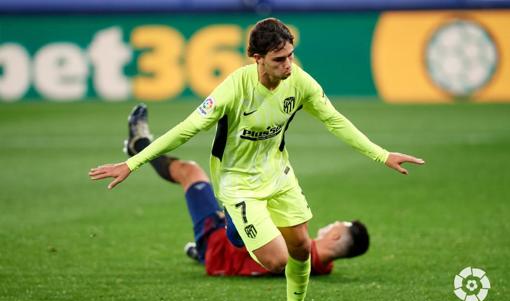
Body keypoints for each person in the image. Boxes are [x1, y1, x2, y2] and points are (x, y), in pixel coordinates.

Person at [89, 18, 425, 301]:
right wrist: (132, 164)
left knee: (301, 248)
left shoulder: (300, 82)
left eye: (291, 56)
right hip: (238, 182)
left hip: (279, 175)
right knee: (277, 260)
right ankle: (233, 225)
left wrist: (382, 154)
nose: (288, 65)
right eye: (279, 59)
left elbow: (335, 121)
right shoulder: (234, 88)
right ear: (257, 59)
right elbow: (186, 129)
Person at [122, 104, 370, 277]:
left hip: (218, 242)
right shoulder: (320, 265)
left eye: (340, 224)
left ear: (336, 237)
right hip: (226, 251)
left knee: (190, 171)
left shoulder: (297, 252)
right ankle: (198, 252)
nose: (335, 222)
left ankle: (140, 144)